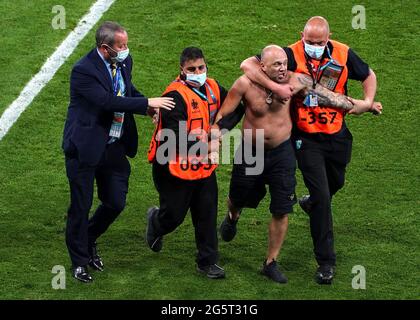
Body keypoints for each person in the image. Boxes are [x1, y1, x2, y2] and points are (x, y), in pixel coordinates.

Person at [240, 16, 383, 284]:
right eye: (309, 41)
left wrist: (368, 101)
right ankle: (326, 262)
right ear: (301, 36)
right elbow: (248, 63)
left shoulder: (342, 53)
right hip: (306, 139)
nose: (314, 46)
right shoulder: (290, 54)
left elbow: (368, 74)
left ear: (328, 39)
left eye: (319, 42)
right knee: (324, 198)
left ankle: (310, 202)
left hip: (337, 135)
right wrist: (275, 85)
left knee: (334, 185)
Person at [215, 45, 361, 283]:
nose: (283, 68)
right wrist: (215, 134)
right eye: (276, 65)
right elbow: (225, 113)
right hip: (251, 152)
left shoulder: (295, 81)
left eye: (284, 63)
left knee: (282, 208)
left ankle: (270, 262)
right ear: (262, 67)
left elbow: (328, 96)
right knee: (238, 196)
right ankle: (233, 216)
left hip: (283, 152)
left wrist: (361, 104)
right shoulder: (244, 84)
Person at [62, 21, 175, 283]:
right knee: (81, 205)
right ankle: (79, 261)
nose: (126, 50)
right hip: (86, 148)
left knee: (115, 201)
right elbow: (106, 101)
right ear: (105, 48)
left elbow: (125, 90)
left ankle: (88, 238)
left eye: (126, 44)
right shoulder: (83, 71)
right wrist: (147, 103)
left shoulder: (124, 61)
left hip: (114, 145)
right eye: (121, 46)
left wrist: (144, 103)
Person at [146, 47, 243, 279]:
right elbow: (174, 139)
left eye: (201, 67)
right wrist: (209, 144)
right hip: (171, 166)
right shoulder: (174, 96)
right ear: (182, 70)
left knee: (207, 212)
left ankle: (207, 262)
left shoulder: (213, 87)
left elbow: (238, 107)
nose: (197, 72)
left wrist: (220, 128)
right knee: (174, 217)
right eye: (192, 69)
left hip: (201, 165)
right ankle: (156, 222)